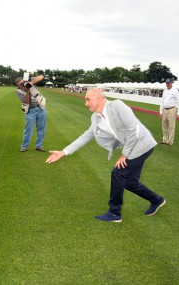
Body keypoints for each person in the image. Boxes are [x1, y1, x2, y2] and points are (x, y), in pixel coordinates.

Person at [46, 89, 165, 222]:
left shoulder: (117, 106)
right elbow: (86, 136)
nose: (86, 103)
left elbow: (134, 128)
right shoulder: (95, 117)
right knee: (130, 183)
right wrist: (63, 152)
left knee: (117, 173)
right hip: (133, 146)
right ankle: (157, 200)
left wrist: (124, 154)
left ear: (98, 98)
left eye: (88, 99)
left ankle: (114, 213)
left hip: (142, 143)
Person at [15, 74, 46, 152]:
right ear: (18, 85)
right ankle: (24, 146)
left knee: (41, 128)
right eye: (20, 85)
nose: (22, 86)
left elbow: (41, 77)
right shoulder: (18, 91)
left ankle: (39, 145)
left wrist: (31, 83)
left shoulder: (29, 81)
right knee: (28, 129)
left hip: (41, 108)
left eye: (23, 83)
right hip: (30, 110)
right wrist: (27, 91)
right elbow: (26, 102)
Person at [159, 78, 179, 145]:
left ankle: (170, 141)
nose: (167, 84)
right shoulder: (165, 91)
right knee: (164, 126)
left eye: (168, 83)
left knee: (171, 126)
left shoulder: (175, 91)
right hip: (165, 109)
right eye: (166, 83)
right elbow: (162, 102)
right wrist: (160, 112)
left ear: (171, 83)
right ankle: (165, 140)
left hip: (172, 109)